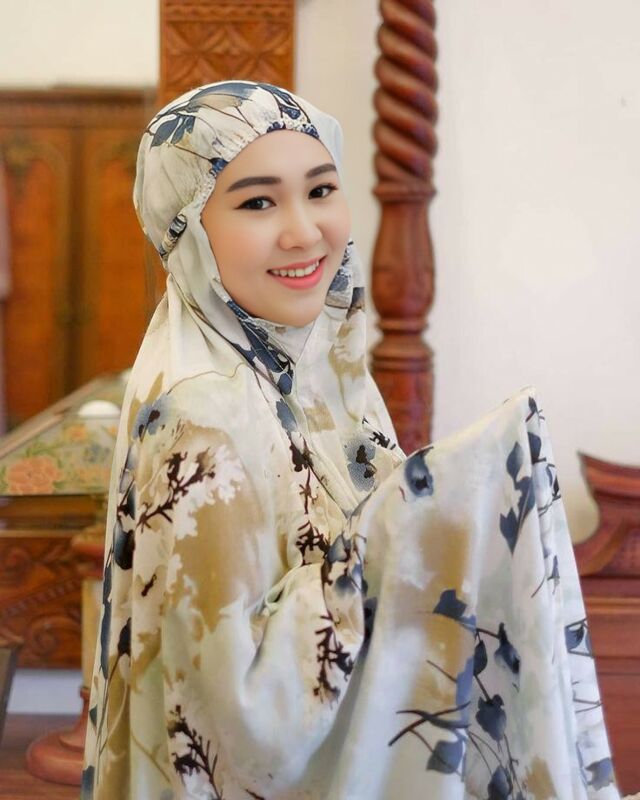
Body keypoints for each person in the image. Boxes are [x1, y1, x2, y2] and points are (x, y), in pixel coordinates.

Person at [82, 81, 619, 800]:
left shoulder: (305, 372)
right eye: (257, 203)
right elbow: (243, 727)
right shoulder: (202, 416)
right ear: (187, 232)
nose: (306, 232)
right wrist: (428, 514)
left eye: (321, 190)